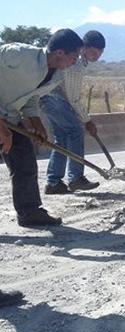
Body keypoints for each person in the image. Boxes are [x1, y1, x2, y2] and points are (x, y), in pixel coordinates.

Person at [0, 29, 83, 227]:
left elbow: (30, 98)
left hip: (9, 116)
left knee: (25, 162)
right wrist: (2, 129)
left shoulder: (56, 75)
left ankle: (29, 212)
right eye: (74, 56)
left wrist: (36, 124)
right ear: (60, 53)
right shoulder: (18, 55)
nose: (75, 61)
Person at [40, 31, 106, 194]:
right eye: (94, 51)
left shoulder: (79, 63)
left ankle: (54, 182)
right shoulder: (75, 65)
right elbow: (73, 98)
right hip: (53, 99)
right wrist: (87, 120)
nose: (97, 55)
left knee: (61, 138)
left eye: (100, 52)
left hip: (47, 99)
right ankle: (76, 178)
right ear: (84, 48)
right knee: (75, 130)